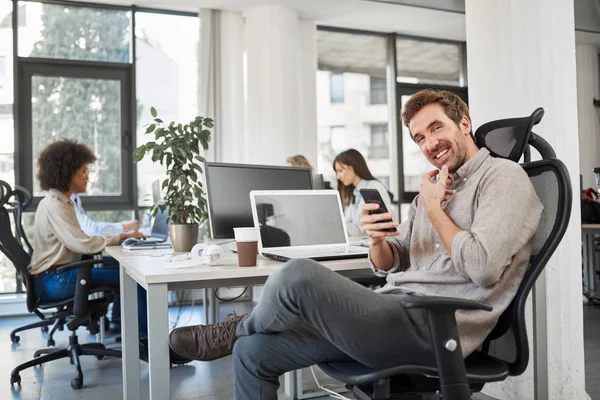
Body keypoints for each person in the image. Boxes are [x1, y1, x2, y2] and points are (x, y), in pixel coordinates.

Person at [168, 89, 544, 399]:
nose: (430, 143)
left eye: (436, 128)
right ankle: (241, 335)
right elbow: (391, 261)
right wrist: (377, 238)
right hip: (390, 310)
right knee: (254, 352)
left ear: (464, 124)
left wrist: (433, 208)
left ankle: (232, 330)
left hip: (434, 328)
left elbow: (482, 267)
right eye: (419, 137)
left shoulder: (502, 177)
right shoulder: (433, 185)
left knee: (296, 275)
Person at [28, 139, 190, 364]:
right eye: (83, 171)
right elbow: (82, 243)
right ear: (68, 172)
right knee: (136, 279)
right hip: (55, 279)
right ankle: (148, 344)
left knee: (125, 268)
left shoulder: (62, 201)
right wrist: (122, 236)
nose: (87, 176)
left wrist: (122, 238)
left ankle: (131, 331)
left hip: (59, 274)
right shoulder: (55, 204)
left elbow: (81, 242)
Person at [333, 148, 392, 236]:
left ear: (353, 167)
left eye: (340, 170)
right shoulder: (355, 192)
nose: (338, 177)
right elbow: (347, 221)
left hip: (379, 242)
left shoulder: (372, 187)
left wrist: (333, 229)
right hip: (364, 241)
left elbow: (359, 229)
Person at [71, 193, 138, 236]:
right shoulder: (69, 200)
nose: (87, 177)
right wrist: (124, 226)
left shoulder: (76, 199)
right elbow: (93, 231)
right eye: (83, 171)